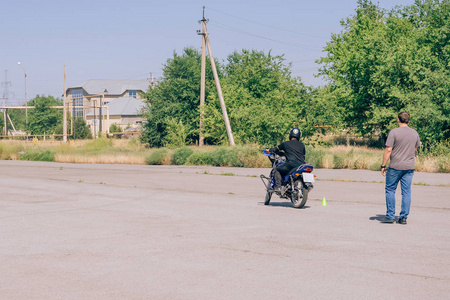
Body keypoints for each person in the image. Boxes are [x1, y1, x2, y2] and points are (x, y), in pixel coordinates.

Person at [380, 112, 420, 224]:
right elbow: (415, 150)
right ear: (408, 121)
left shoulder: (394, 132)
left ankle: (390, 216)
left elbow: (388, 149)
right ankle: (403, 217)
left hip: (395, 166)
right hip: (409, 167)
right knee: (406, 192)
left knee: (390, 189)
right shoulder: (414, 133)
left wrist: (383, 165)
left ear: (398, 120)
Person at [266, 128, 305, 192]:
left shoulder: (285, 144)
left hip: (290, 164)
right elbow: (303, 156)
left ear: (290, 135)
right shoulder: (302, 145)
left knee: (276, 170)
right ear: (299, 136)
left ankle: (278, 187)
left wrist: (269, 150)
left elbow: (275, 149)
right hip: (301, 165)